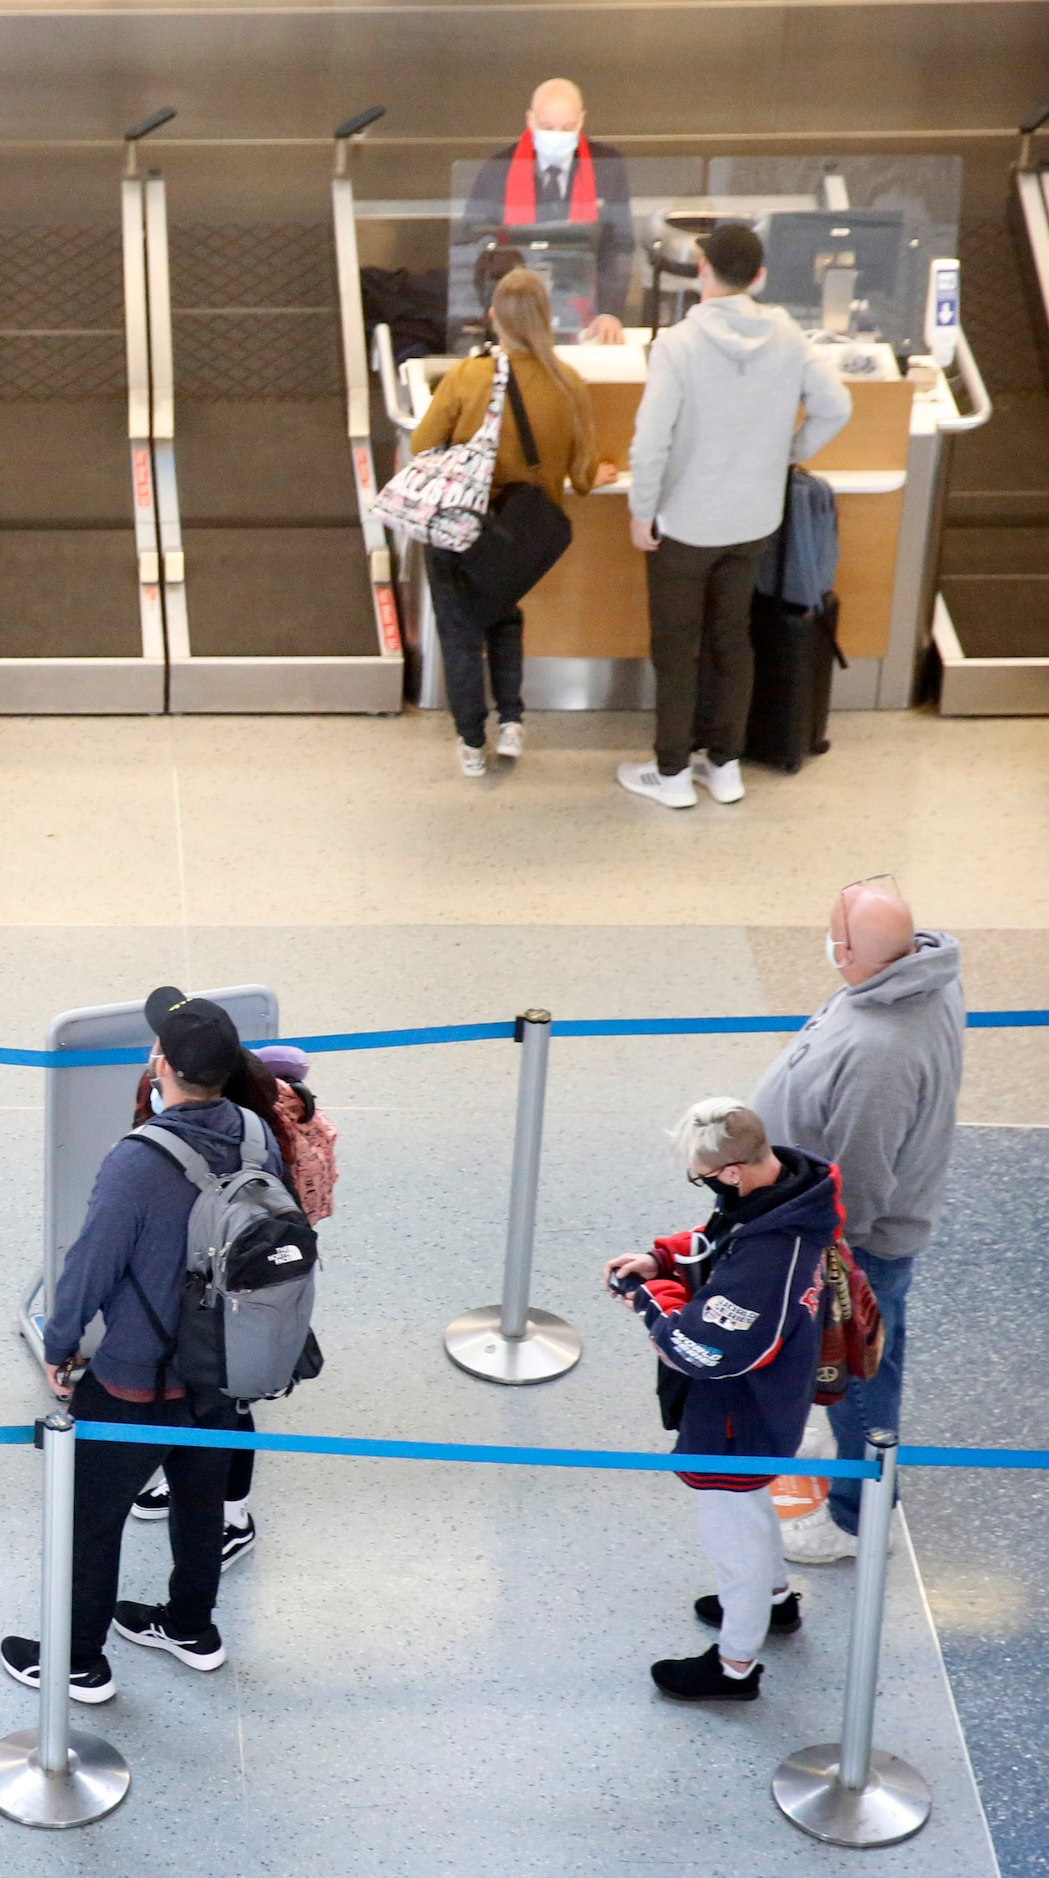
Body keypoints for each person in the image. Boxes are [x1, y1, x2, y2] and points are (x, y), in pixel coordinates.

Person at [5, 989, 281, 1704]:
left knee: (90, 1519)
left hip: (138, 1378)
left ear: (160, 1062)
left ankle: (77, 1662)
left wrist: (59, 1347)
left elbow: (90, 1267)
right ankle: (191, 1627)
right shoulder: (255, 1132)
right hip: (223, 1367)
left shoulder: (138, 1160)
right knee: (199, 1499)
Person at [753, 880, 964, 1562]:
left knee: (863, 1366)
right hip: (854, 1230)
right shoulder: (911, 974)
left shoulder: (882, 1052)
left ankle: (855, 1519)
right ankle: (844, 1441)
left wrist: (826, 1247)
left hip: (860, 1242)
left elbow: (863, 1177)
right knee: (861, 1352)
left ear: (849, 952)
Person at [619, 224, 853, 810]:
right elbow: (837, 406)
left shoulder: (677, 345)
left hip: (685, 523)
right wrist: (790, 453)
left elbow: (651, 442)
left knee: (677, 646)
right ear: (760, 278)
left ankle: (672, 772)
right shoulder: (789, 336)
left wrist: (641, 511)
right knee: (733, 639)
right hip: (752, 519)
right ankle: (724, 766)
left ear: (701, 269)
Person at [605, 1100, 831, 1702]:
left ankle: (734, 1665)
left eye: (703, 1175)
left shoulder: (771, 1256)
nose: (703, 1186)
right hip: (768, 1400)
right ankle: (777, 1602)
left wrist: (650, 1296)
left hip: (738, 1415)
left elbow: (703, 1350)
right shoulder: (782, 1195)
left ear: (732, 1171)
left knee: (734, 1535)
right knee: (751, 1509)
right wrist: (666, 1256)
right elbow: (719, 1240)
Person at [127, 1045, 336, 1558]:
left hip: (248, 1286)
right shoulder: (250, 1117)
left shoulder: (258, 1137)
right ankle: (184, 1482)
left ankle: (233, 1515)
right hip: (211, 1276)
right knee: (192, 1390)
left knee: (231, 1400)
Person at [406, 267, 614, 775]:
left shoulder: (469, 376)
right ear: (547, 318)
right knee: (503, 613)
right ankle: (512, 722)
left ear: (494, 317)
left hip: (463, 527)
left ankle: (473, 744)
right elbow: (584, 475)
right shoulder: (569, 383)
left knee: (460, 634)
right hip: (521, 537)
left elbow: (421, 445)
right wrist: (602, 472)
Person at [459, 78, 634, 344]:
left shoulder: (607, 167)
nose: (557, 135)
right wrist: (491, 307)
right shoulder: (498, 170)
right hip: (512, 315)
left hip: (585, 318)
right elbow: (473, 244)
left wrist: (609, 312)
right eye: (547, 127)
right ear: (530, 120)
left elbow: (618, 247)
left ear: (582, 121)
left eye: (567, 127)